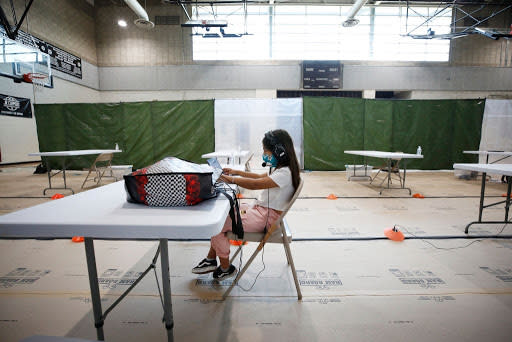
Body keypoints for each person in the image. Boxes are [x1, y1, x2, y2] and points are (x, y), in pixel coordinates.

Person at [191, 129, 301, 281]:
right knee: (227, 211)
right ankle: (210, 259)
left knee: (218, 223)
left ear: (279, 151)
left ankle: (225, 268)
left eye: (265, 151)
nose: (264, 155)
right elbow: (259, 176)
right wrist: (237, 173)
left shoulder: (284, 174)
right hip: (262, 212)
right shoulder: (284, 170)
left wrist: (230, 179)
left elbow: (256, 184)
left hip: (265, 219)